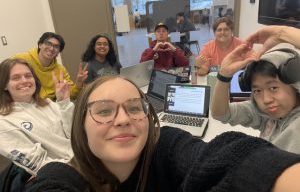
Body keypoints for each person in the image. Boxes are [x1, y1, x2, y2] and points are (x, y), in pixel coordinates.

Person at [24, 74, 300, 192]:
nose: (123, 119)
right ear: (80, 126)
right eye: (105, 111)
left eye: (134, 108)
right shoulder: (61, 178)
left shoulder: (164, 146)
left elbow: (226, 156)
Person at [211, 25, 300, 154]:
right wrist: (224, 75)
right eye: (257, 91)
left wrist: (282, 33)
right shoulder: (266, 114)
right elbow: (220, 113)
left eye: (273, 88)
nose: (266, 99)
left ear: (295, 83)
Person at [0, 58, 74, 175]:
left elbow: (74, 135)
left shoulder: (49, 104)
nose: (24, 81)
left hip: (84, 159)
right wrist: (77, 167)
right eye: (16, 78)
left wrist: (64, 102)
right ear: (4, 85)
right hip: (65, 173)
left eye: (28, 76)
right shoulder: (4, 122)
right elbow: (39, 164)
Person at [15, 32, 88, 100]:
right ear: (40, 45)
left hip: (50, 107)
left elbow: (72, 95)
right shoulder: (21, 59)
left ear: (58, 52)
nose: (51, 48)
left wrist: (78, 83)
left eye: (56, 46)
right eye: (48, 44)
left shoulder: (60, 69)